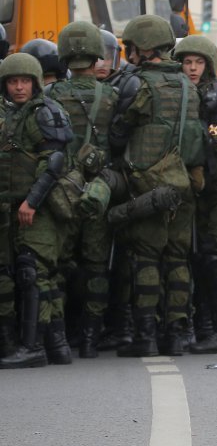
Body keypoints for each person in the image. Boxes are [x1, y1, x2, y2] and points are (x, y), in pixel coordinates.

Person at [109, 14, 206, 357]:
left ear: (142, 47)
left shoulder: (137, 85)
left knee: (146, 258)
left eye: (131, 46)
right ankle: (176, 335)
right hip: (183, 184)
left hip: (147, 185)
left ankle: (145, 336)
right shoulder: (187, 85)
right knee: (178, 260)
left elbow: (118, 133)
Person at [47, 21, 118, 359]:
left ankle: (60, 335)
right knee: (96, 265)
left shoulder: (52, 95)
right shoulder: (112, 96)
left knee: (59, 264)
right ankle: (90, 338)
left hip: (62, 189)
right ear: (96, 55)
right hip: (98, 190)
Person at [172, 35, 217, 354]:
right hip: (201, 192)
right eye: (187, 62)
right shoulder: (184, 95)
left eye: (198, 62)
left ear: (209, 65)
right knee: (203, 257)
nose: (192, 68)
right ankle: (212, 326)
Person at [0, 53, 74, 368]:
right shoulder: (9, 115)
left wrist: (32, 201)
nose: (19, 87)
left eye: (25, 81)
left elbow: (53, 162)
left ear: (35, 83)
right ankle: (57, 345)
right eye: (13, 82)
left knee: (34, 272)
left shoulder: (44, 113)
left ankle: (33, 348)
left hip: (37, 207)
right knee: (36, 274)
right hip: (11, 206)